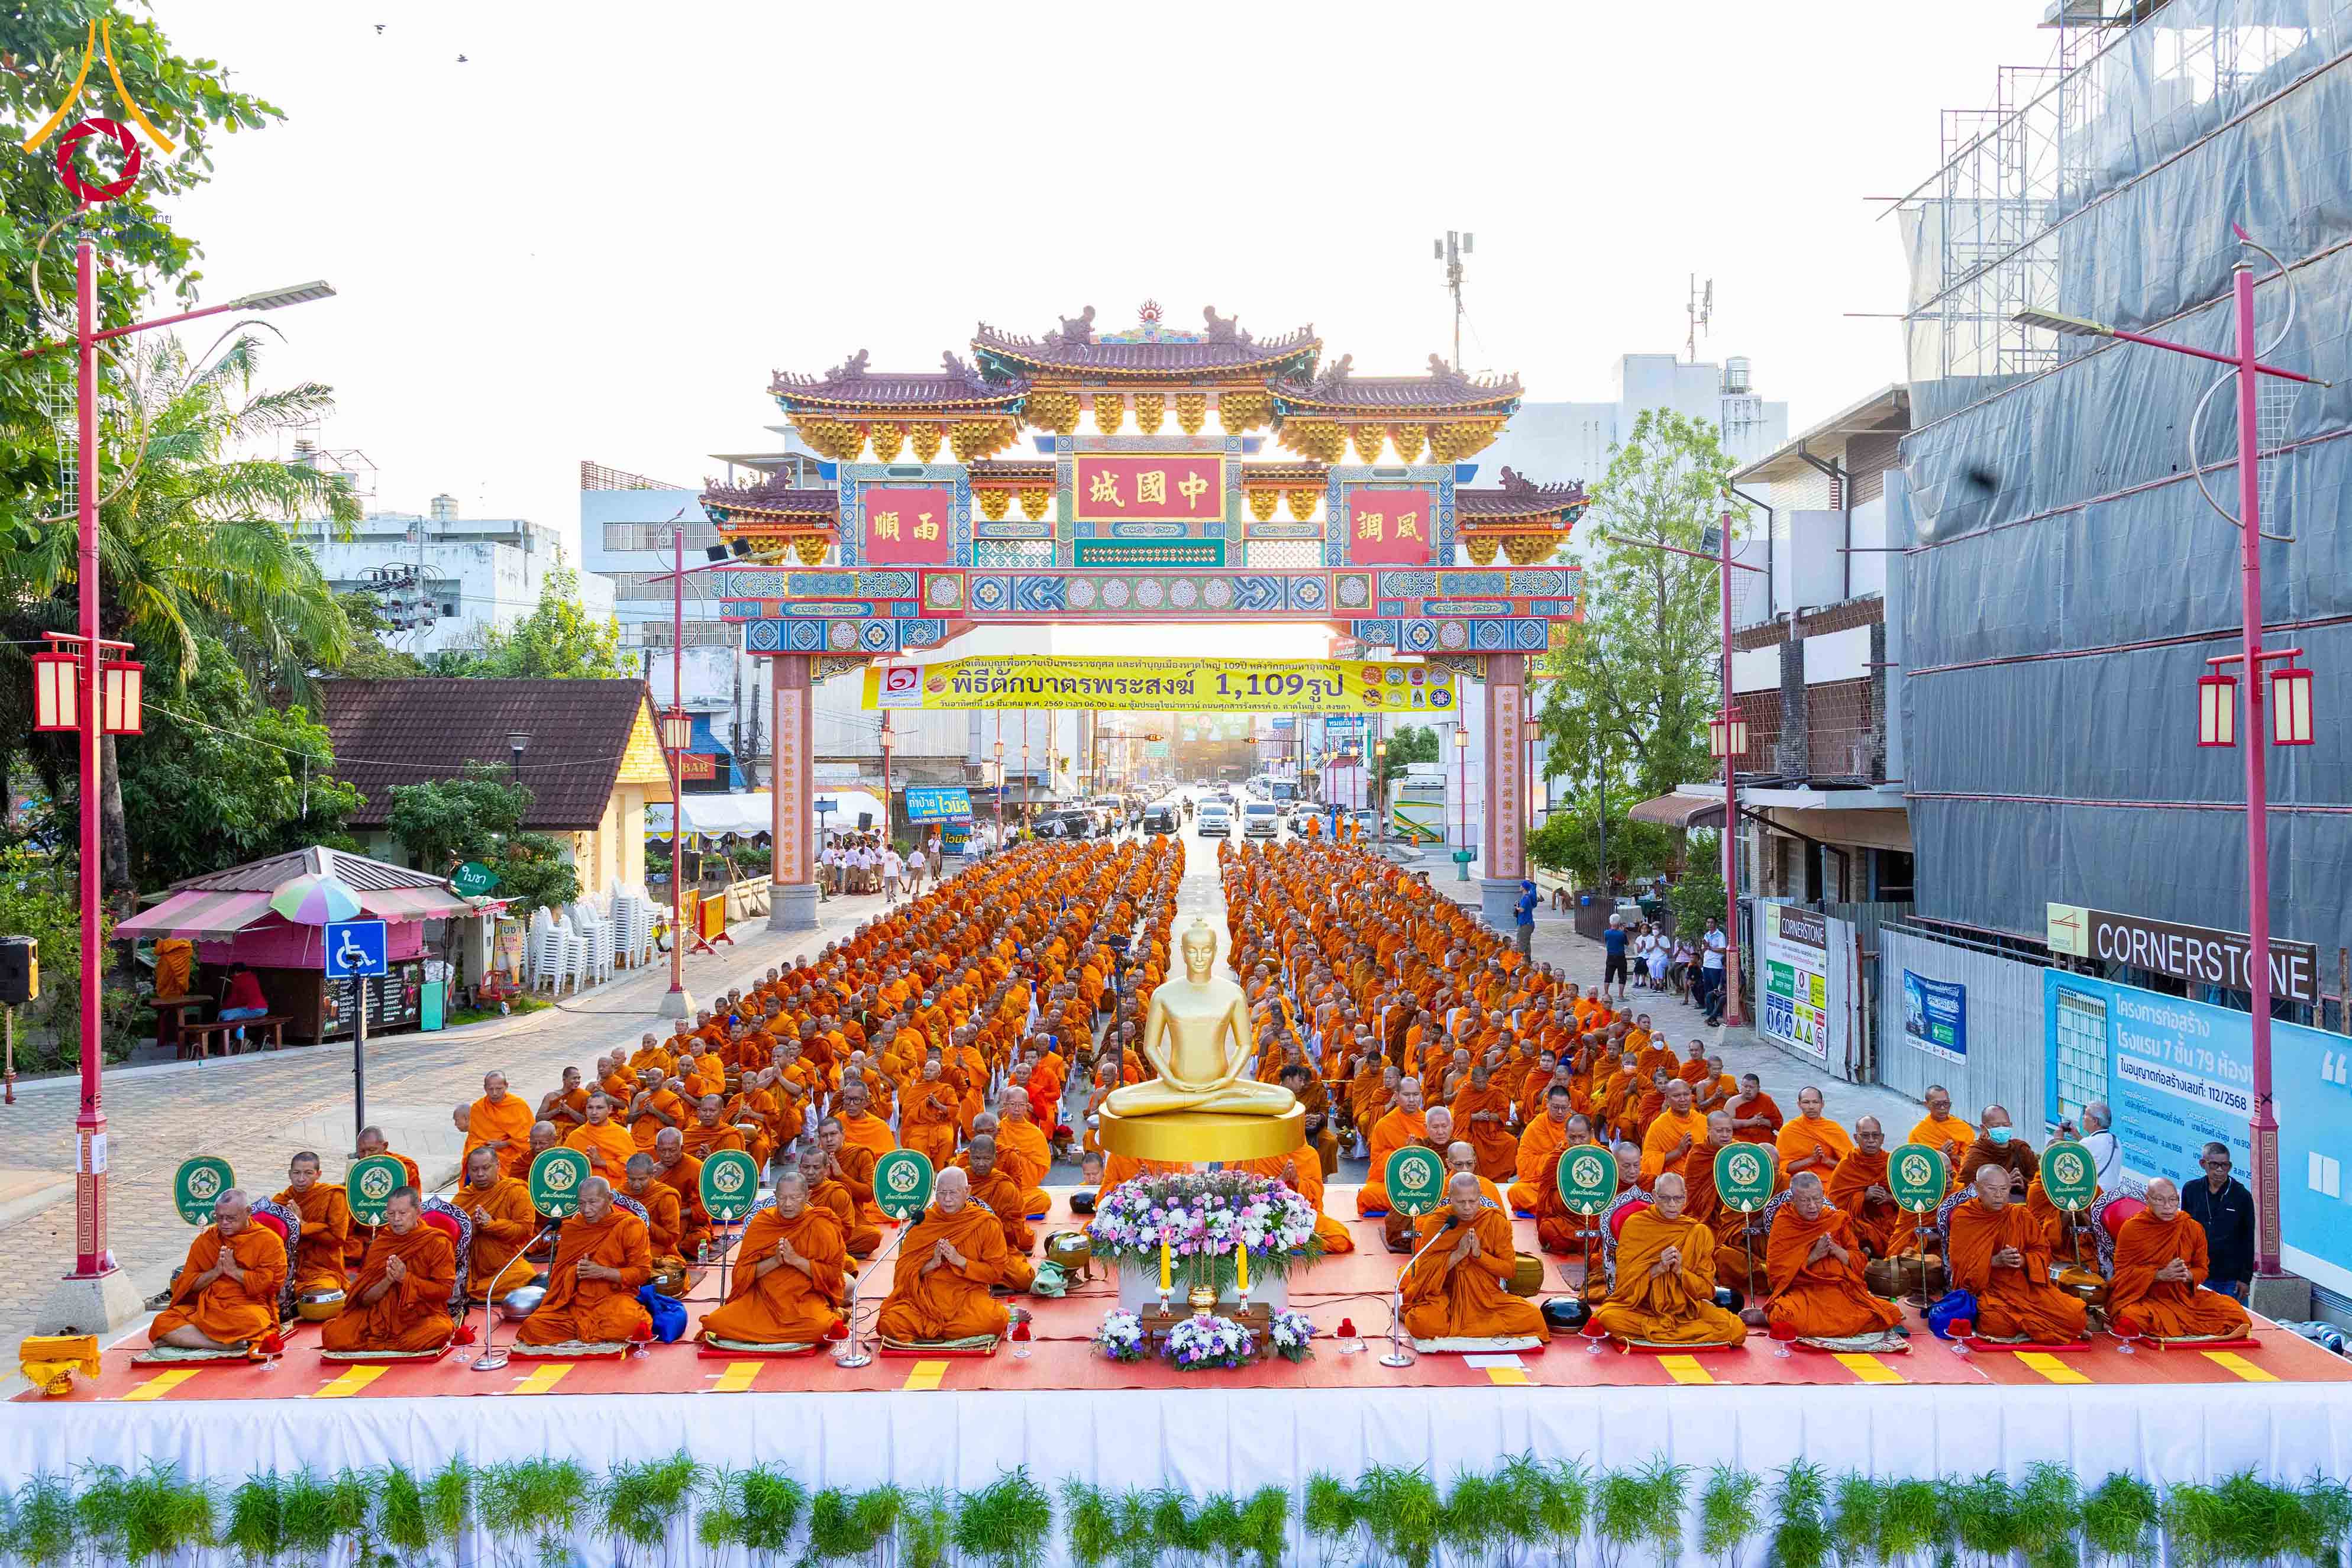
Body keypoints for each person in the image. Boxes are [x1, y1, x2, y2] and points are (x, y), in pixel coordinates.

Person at [1588, 1173, 1746, 1347]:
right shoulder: (1636, 1225)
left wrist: (1680, 1272)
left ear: (1685, 1197)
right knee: (1608, 1318)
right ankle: (1683, 1332)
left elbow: (1706, 1290)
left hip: (1686, 1310)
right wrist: (1659, 1268)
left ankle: (1662, 1331)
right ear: (1655, 1196)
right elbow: (1624, 1285)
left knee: (1737, 1329)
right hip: (1642, 1308)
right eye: (1665, 1198)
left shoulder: (1697, 1232)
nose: (1672, 1204)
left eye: (1678, 1199)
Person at [699, 1171, 848, 1346]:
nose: (788, 1204)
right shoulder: (763, 1223)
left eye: (795, 1198)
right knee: (715, 1323)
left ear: (808, 1196)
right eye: (782, 1198)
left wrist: (796, 1260)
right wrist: (775, 1261)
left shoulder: (820, 1224)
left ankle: (834, 1314)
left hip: (803, 1300)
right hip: (761, 1300)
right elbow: (741, 1274)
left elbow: (833, 1275)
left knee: (822, 1328)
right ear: (775, 1195)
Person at [1401, 1172, 1549, 1343]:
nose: (1467, 1207)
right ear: (1450, 1198)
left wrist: (1479, 1255)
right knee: (1422, 1322)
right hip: (1446, 1298)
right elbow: (1425, 1270)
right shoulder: (1438, 1222)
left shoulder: (1495, 1220)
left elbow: (1509, 1270)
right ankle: (1477, 1329)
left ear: (1480, 1197)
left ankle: (1462, 1329)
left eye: (1472, 1201)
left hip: (1487, 1299)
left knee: (1534, 1317)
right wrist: (1458, 1255)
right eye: (1461, 1202)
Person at [1945, 1166, 2086, 1344]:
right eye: (1992, 1189)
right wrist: (1994, 1261)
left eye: (2004, 1189)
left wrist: (2023, 1261)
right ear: (1977, 1187)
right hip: (1987, 1289)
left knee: (2076, 1317)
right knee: (1995, 1324)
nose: (1999, 1195)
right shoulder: (1965, 1217)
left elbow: (2043, 1252)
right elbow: (1960, 1266)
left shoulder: (2020, 1215)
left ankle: (2031, 1329)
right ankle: (2040, 1329)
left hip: (2023, 1286)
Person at [515, 1176, 654, 1347]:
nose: (586, 1210)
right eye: (581, 1203)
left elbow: (642, 1273)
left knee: (631, 1322)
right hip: (576, 1303)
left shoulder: (631, 1225)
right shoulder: (573, 1229)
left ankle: (584, 1330)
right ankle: (589, 1330)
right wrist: (575, 1272)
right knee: (533, 1327)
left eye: (593, 1202)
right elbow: (558, 1276)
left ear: (610, 1199)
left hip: (613, 1300)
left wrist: (603, 1272)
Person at [876, 1168, 1010, 1344]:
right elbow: (903, 1274)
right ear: (935, 1191)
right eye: (942, 1193)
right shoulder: (923, 1223)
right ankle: (947, 1331)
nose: (947, 1199)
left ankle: (931, 1332)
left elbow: (995, 1273)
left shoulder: (985, 1223)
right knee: (889, 1323)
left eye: (953, 1193)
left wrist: (960, 1261)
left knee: (995, 1319)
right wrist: (931, 1264)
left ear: (967, 1191)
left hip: (966, 1297)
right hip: (925, 1299)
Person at [1762, 1172, 1902, 1340]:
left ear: (1823, 1195)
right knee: (1785, 1316)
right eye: (1805, 1201)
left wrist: (1836, 1250)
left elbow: (1859, 1262)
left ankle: (1774, 1318)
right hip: (1804, 1290)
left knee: (1892, 1313)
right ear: (1793, 1200)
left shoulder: (1835, 1219)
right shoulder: (1785, 1222)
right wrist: (1814, 1256)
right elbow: (1776, 1274)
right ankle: (1769, 1316)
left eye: (1817, 1199)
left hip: (1839, 1289)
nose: (1812, 1206)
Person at [2109, 1177, 2253, 1340]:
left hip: (2184, 1299)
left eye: (2173, 1200)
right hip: (2145, 1298)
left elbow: (2202, 1269)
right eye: (2160, 1200)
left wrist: (2187, 1274)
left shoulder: (2191, 1228)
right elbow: (2122, 1273)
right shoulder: (2133, 1228)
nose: (2167, 1206)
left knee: (2235, 1312)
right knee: (2131, 1317)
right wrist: (2158, 1275)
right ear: (2148, 1199)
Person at [320, 1188, 457, 1353]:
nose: (396, 1219)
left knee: (441, 1330)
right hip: (379, 1317)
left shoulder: (437, 1242)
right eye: (391, 1214)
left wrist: (405, 1278)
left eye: (403, 1213)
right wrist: (388, 1280)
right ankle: (392, 1344)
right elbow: (364, 1300)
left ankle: (378, 1345)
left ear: (418, 1212)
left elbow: (444, 1291)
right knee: (333, 1336)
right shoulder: (382, 1243)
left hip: (420, 1317)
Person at [149, 1189, 287, 1353]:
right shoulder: (207, 1240)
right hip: (206, 1306)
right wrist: (215, 1272)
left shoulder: (268, 1241)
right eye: (219, 1218)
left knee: (254, 1322)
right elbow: (187, 1284)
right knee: (162, 1323)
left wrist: (234, 1271)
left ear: (248, 1212)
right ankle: (224, 1344)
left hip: (246, 1305)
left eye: (231, 1218)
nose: (224, 1223)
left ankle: (190, 1339)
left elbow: (269, 1285)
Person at [460, 1146, 538, 1304]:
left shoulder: (515, 1191)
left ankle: (469, 1291)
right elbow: (450, 1240)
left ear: (498, 1166)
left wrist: (491, 1224)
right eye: (474, 1170)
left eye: (486, 1168)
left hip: (505, 1267)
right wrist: (471, 1230)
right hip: (471, 1269)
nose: (480, 1174)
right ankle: (469, 1289)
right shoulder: (463, 1198)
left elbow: (524, 1231)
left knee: (526, 1276)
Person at [958, 1134, 1037, 1290]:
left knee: (1024, 1278)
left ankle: (974, 1276)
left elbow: (1015, 1231)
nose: (981, 1164)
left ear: (995, 1158)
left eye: (987, 1159)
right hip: (961, 1247)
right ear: (969, 1157)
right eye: (976, 1158)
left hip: (995, 1248)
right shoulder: (958, 1181)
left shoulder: (1005, 1187)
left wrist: (987, 1231)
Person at [2180, 1142, 2256, 1302]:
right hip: (2199, 1273)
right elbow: (2184, 1231)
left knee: (2232, 1317)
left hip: (2230, 1279)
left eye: (2225, 1165)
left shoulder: (2242, 1196)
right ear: (2203, 1164)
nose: (2220, 1170)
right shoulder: (2191, 1190)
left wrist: (2245, 1279)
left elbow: (2248, 1239)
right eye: (2214, 1165)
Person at [272, 1152, 353, 1294]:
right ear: (290, 1174)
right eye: (296, 1173)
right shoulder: (282, 1201)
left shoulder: (334, 1196)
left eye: (308, 1173)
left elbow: (338, 1240)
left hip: (321, 1267)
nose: (301, 1179)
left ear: (318, 1174)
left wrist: (302, 1224)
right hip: (286, 1264)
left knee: (321, 1293)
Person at [1826, 1117, 1900, 1257]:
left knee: (1909, 1226)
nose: (1871, 1140)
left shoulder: (1892, 1163)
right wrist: (1863, 1196)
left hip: (1890, 1219)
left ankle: (1872, 1252)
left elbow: (1909, 1197)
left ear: (1882, 1138)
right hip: (1861, 1221)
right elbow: (1834, 1205)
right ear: (1856, 1138)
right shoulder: (1848, 1164)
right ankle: (1865, 1252)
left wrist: (1889, 1198)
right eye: (1865, 1136)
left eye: (1875, 1135)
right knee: (1845, 1227)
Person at [1356, 1078, 1429, 1216]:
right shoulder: (1384, 1125)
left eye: (1416, 1094)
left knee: (1447, 1190)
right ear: (1396, 1096)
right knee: (1368, 1194)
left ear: (1421, 1095)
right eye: (1406, 1095)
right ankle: (1421, 1202)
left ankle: (1415, 1201)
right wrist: (1403, 1155)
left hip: (1425, 1182)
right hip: (1394, 1184)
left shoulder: (1429, 1122)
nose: (1412, 1100)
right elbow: (1377, 1164)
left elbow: (1438, 1159)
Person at [465, 1072, 536, 1180]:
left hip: (512, 1153)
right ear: (485, 1088)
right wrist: (485, 1149)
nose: (494, 1093)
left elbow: (529, 1138)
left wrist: (505, 1144)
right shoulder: (478, 1108)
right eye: (491, 1089)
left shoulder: (518, 1106)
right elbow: (474, 1137)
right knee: (475, 1165)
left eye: (499, 1089)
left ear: (506, 1086)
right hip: (485, 1153)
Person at [1775, 1087, 1852, 1184]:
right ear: (1799, 1105)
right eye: (1806, 1102)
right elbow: (1782, 1168)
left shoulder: (1834, 1129)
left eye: (1815, 1102)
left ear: (1822, 1104)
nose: (1811, 1107)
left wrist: (1828, 1161)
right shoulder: (1788, 1130)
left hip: (1831, 1181)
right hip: (1800, 1183)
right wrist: (1811, 1160)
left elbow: (1851, 1166)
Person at [564, 1092, 637, 1179]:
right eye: (590, 1108)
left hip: (614, 1186)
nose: (594, 1113)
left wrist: (601, 1163)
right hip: (584, 1185)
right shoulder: (576, 1136)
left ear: (610, 1109)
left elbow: (632, 1168)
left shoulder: (621, 1134)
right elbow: (565, 1165)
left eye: (599, 1108)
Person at [1906, 1085, 1975, 1166]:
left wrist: (1953, 1157)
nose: (1943, 1108)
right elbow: (1915, 1163)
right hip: (1934, 1172)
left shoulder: (1963, 1128)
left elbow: (1970, 1160)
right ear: (1926, 1105)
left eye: (1946, 1103)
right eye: (1937, 1104)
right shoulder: (1918, 1133)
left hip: (1958, 1172)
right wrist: (1940, 1155)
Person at [217, 962, 270, 1046]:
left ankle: (232, 1043)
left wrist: (223, 1007)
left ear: (235, 972)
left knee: (225, 1015)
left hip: (253, 1009)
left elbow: (234, 999)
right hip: (263, 1009)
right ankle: (241, 1040)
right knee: (237, 1017)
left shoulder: (238, 979)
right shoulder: (253, 977)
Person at [354, 1127, 421, 1192]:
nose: (366, 1156)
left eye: (372, 1150)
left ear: (385, 1146)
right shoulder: (357, 1168)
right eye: (362, 1151)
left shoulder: (404, 1166)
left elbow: (412, 1197)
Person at [1725, 1074, 1783, 1146]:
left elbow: (1778, 1124)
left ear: (1758, 1088)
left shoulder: (1766, 1100)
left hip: (1764, 1138)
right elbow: (1726, 1124)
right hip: (1740, 1138)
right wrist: (1750, 1122)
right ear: (1741, 1086)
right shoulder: (1732, 1102)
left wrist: (1762, 1121)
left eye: (1752, 1087)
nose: (1748, 1090)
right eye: (1745, 1086)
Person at [2078, 1102, 2120, 1192]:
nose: (2083, 1117)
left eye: (2086, 1114)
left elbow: (2066, 1161)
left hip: (2095, 1195)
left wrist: (2059, 1138)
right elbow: (2096, 1150)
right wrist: (2077, 1135)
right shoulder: (2116, 1141)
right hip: (2112, 1196)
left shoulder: (2087, 1143)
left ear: (2095, 1121)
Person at [1601, 917, 1629, 1002]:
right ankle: (1620, 995)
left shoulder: (1606, 933)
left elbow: (1606, 941)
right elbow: (1627, 943)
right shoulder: (1621, 934)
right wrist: (1623, 932)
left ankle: (1606, 994)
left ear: (1610, 922)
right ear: (1619, 923)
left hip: (1610, 956)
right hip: (1620, 956)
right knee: (1622, 976)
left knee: (1608, 975)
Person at [1513, 880, 1538, 961]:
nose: (1520, 887)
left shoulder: (1525, 898)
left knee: (1521, 944)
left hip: (1524, 924)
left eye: (1521, 885)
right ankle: (1528, 961)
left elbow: (1522, 910)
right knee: (1527, 944)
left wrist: (1517, 907)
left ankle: (1519, 961)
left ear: (1524, 888)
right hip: (1528, 924)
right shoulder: (1528, 897)